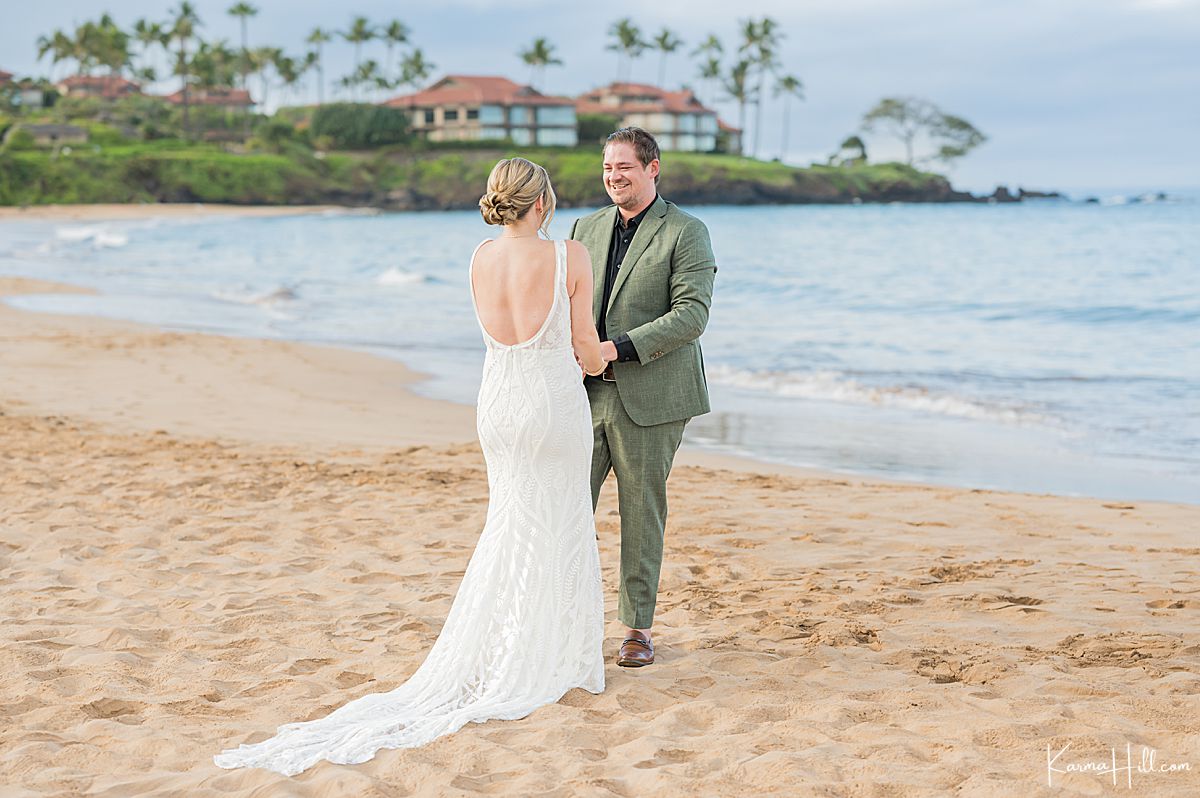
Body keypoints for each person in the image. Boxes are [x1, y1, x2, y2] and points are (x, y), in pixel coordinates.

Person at [213, 157, 607, 776]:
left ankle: (506, 646)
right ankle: (553, 655)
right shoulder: (569, 257)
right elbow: (584, 350)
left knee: (510, 522)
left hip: (497, 408)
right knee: (559, 523)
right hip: (551, 407)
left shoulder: (479, 257)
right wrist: (608, 352)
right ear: (543, 203)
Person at [569, 127, 718, 667]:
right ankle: (568, 620)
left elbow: (692, 316)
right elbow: (564, 303)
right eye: (608, 169)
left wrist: (615, 349)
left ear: (653, 168)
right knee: (567, 508)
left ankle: (636, 629)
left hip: (652, 397)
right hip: (582, 395)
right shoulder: (583, 228)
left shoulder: (686, 231)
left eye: (624, 168)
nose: (614, 178)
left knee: (641, 513)